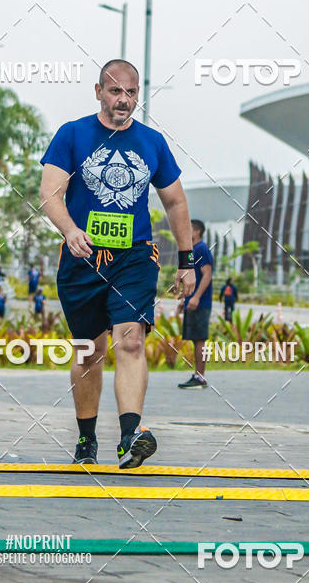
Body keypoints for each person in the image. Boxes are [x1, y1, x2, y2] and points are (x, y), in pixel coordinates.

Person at [40, 59, 195, 468]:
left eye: (130, 93)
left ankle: (130, 437)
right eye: (114, 91)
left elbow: (175, 201)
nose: (122, 100)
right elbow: (50, 194)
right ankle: (86, 440)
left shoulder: (152, 142)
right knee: (90, 351)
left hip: (135, 256)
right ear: (98, 92)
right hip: (82, 256)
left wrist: (187, 260)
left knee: (130, 339)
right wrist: (70, 230)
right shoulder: (72, 135)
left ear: (137, 96)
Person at [178, 219, 213, 389]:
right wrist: (185, 299)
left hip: (200, 302)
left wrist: (196, 297)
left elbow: (207, 275)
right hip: (191, 301)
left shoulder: (202, 249)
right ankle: (197, 375)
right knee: (195, 339)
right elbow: (191, 276)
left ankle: (200, 377)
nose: (185, 230)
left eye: (188, 228)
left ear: (197, 231)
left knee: (200, 339)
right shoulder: (192, 251)